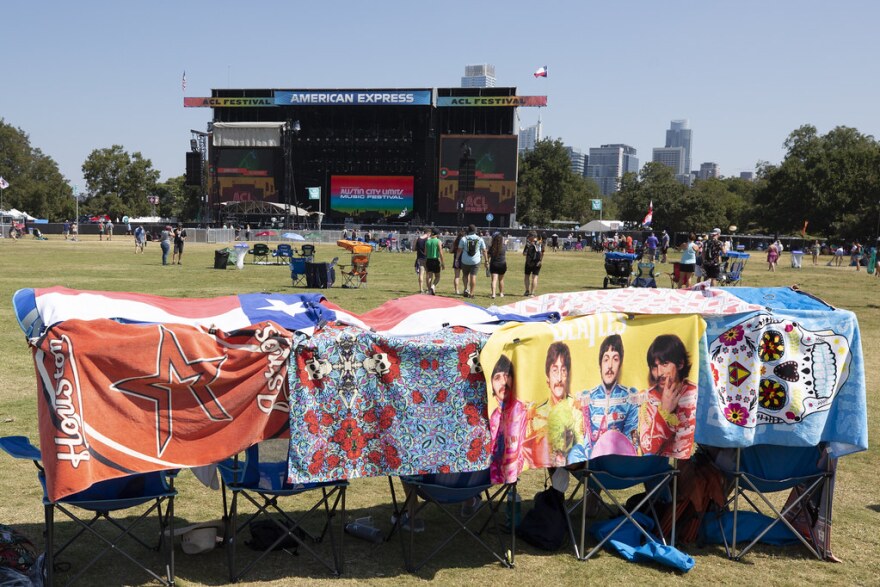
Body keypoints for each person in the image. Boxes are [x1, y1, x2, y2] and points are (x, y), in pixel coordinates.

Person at [571, 334, 639, 462]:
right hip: (592, 461)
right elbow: (584, 438)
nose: (610, 366)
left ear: (620, 365)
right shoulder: (588, 397)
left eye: (615, 359)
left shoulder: (630, 398)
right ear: (600, 365)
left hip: (620, 461)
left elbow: (631, 439)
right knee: (571, 452)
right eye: (606, 359)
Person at [522, 342, 583, 468]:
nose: (559, 378)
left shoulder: (577, 408)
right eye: (555, 371)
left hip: (572, 464)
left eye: (564, 371)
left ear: (568, 376)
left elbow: (579, 449)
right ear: (547, 376)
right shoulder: (536, 413)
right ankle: (556, 487)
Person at [638, 334, 697, 459]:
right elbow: (648, 449)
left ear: (680, 364)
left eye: (665, 364)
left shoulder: (694, 393)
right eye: (654, 366)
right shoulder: (647, 398)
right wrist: (664, 412)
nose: (659, 373)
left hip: (690, 466)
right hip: (658, 469)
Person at [488, 355, 528, 484]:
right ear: (492, 385)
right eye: (497, 377)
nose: (503, 382)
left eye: (507, 376)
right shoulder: (493, 417)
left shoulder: (522, 410)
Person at [458, 224, 488, 298]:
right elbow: (484, 250)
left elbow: (459, 250)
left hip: (465, 260)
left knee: (465, 275)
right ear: (475, 231)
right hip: (475, 261)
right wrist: (486, 260)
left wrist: (456, 259)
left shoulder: (463, 239)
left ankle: (465, 289)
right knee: (473, 276)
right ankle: (471, 293)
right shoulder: (480, 239)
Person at [424, 227, 444, 295]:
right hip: (435, 260)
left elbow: (425, 253)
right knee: (437, 276)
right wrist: (442, 263)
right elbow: (441, 253)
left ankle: (429, 290)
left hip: (428, 260)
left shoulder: (427, 241)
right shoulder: (438, 241)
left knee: (429, 276)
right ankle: (433, 286)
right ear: (437, 234)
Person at [522, 230, 543, 296]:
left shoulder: (529, 243)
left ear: (532, 236)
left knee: (527, 276)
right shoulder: (540, 242)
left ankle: (527, 291)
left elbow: (524, 254)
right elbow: (542, 253)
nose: (528, 237)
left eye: (529, 236)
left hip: (529, 262)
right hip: (537, 262)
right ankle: (532, 293)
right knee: (535, 277)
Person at [488, 232, 507, 299]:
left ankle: (493, 294)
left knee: (494, 280)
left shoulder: (492, 247)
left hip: (494, 264)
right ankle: (501, 293)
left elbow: (489, 255)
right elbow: (505, 244)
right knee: (501, 280)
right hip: (502, 264)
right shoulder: (504, 246)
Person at [413, 227, 429, 293]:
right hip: (427, 258)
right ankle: (428, 288)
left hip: (419, 258)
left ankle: (421, 289)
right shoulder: (428, 239)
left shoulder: (417, 239)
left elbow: (413, 249)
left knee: (421, 274)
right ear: (429, 233)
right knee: (428, 274)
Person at [450, 229, 465, 295]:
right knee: (466, 276)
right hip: (464, 259)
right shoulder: (465, 241)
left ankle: (456, 290)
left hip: (456, 259)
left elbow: (450, 251)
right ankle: (466, 289)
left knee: (456, 276)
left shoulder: (455, 242)